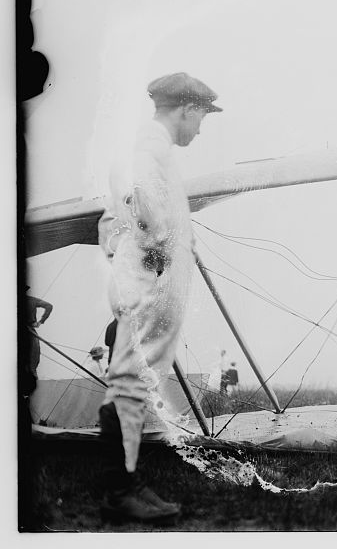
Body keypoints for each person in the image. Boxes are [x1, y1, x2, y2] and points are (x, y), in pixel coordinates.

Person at [96, 72, 222, 524]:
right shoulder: (149, 148)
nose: (201, 128)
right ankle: (118, 491)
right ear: (186, 109)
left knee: (135, 383)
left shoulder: (149, 147)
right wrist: (162, 249)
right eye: (201, 116)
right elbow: (144, 202)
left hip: (146, 278)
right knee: (129, 384)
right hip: (146, 280)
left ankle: (128, 482)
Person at [23, 291, 54, 395]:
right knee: (32, 364)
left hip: (24, 332)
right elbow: (48, 306)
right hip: (31, 333)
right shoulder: (31, 300)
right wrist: (40, 322)